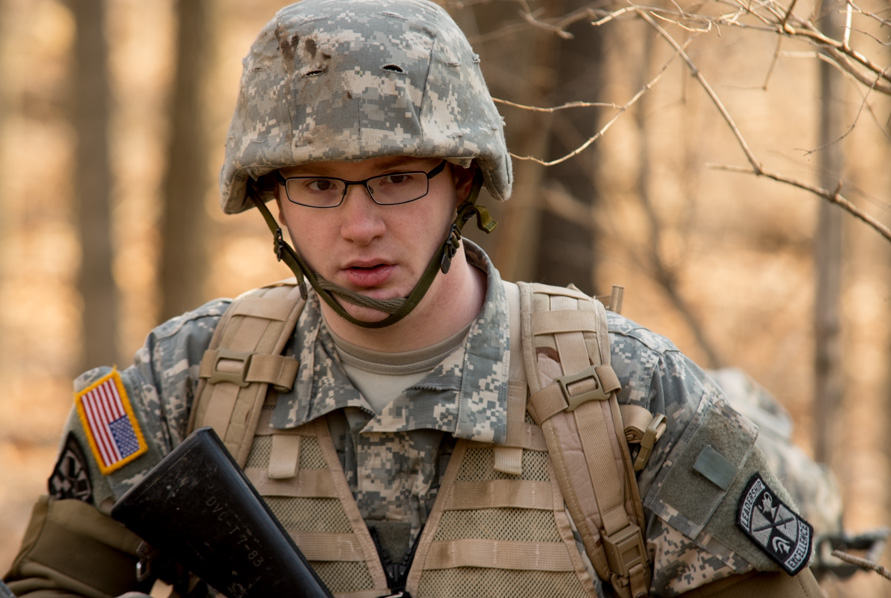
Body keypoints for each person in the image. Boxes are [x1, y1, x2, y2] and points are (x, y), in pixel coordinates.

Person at [4, 1, 827, 596]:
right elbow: (52, 583)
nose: (359, 227)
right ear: (273, 202)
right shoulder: (182, 382)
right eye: (320, 185)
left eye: (396, 179)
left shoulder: (629, 400)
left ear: (463, 180)